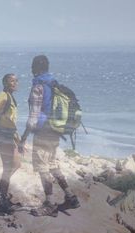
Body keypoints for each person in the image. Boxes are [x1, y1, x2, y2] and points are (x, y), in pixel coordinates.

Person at [19, 55, 80, 216]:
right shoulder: (54, 83)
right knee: (52, 164)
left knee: (42, 168)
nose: (31, 69)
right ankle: (71, 197)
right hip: (56, 130)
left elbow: (33, 116)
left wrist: (23, 138)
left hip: (43, 131)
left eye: (32, 66)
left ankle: (49, 204)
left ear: (37, 68)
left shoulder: (38, 86)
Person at [0, 73, 22, 210]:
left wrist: (17, 138)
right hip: (3, 136)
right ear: (5, 83)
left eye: (16, 81)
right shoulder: (2, 96)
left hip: (8, 135)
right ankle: (2, 202)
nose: (14, 83)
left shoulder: (10, 97)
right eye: (11, 81)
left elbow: (10, 120)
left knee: (17, 163)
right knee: (8, 167)